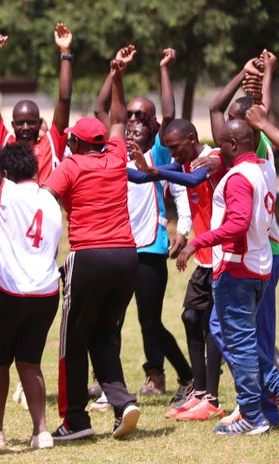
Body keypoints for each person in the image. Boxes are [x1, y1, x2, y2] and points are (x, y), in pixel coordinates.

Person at [175, 118, 279, 436]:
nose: (216, 149)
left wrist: (197, 243)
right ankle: (275, 386)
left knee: (240, 343)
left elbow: (238, 223)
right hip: (258, 266)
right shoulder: (262, 169)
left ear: (232, 146)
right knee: (234, 335)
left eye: (220, 144)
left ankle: (254, 414)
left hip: (238, 269)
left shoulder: (238, 177)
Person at [44, 46, 140, 441]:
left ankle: (76, 421)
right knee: (104, 335)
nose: (68, 145)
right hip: (127, 258)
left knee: (73, 341)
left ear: (79, 145)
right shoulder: (116, 156)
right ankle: (123, 403)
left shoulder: (70, 165)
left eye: (71, 142)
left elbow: (45, 200)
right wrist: (117, 76)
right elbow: (117, 118)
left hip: (90, 257)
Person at [95, 48, 194, 403]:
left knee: (150, 323)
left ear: (152, 125)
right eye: (131, 114)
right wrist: (116, 74)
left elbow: (169, 115)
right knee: (111, 320)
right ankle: (109, 384)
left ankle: (187, 376)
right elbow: (103, 111)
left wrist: (164, 68)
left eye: (142, 115)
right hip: (118, 247)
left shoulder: (159, 154)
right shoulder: (117, 149)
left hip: (149, 247)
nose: (134, 119)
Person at [0, 142, 62, 450]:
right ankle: (41, 432)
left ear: (4, 173)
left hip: (8, 292)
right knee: (30, 363)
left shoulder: (4, 191)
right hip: (46, 292)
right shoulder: (50, 199)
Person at [129, 119, 226, 421]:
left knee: (211, 326)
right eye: (168, 149)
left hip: (222, 258)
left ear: (192, 138)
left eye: (175, 147)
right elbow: (144, 178)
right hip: (205, 259)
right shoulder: (182, 165)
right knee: (189, 316)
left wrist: (155, 170)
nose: (172, 154)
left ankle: (210, 397)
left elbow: (196, 179)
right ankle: (197, 391)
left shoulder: (212, 158)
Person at [0, 23, 72, 185]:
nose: (25, 127)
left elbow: (64, 99)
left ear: (39, 123)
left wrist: (65, 52)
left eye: (31, 122)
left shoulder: (51, 144)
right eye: (20, 123)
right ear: (13, 124)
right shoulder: (4, 143)